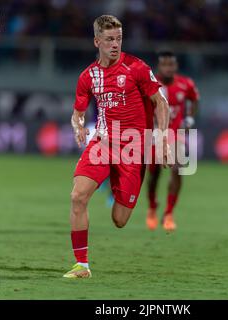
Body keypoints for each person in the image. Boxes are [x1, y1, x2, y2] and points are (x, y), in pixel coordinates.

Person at [64, 15, 171, 279]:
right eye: (110, 39)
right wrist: (77, 126)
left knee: (119, 220)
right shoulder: (88, 76)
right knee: (78, 196)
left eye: (119, 39)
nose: (115, 44)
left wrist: (163, 139)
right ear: (96, 41)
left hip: (133, 148)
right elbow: (77, 112)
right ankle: (82, 265)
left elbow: (161, 103)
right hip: (102, 142)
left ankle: (116, 182)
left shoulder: (136, 68)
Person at [146, 51, 200, 232]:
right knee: (154, 175)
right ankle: (152, 206)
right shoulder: (151, 85)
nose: (168, 68)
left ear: (176, 66)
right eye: (165, 65)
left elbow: (195, 100)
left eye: (171, 65)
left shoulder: (186, 84)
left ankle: (169, 213)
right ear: (159, 67)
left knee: (178, 169)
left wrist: (190, 118)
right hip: (154, 136)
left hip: (175, 135)